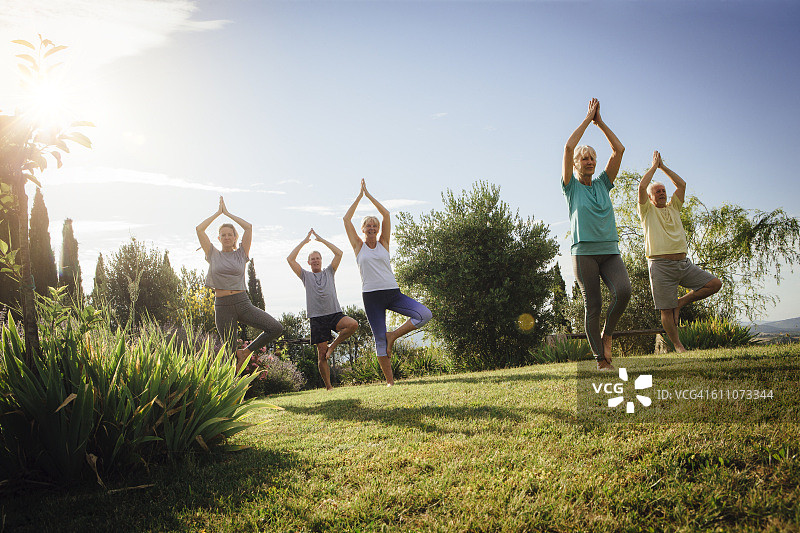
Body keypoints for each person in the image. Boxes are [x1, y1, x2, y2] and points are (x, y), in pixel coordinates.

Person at [562, 98, 632, 370]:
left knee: (623, 292)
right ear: (576, 164)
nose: (590, 161)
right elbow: (568, 147)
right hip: (584, 254)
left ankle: (608, 333)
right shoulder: (571, 186)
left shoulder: (604, 183)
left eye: (592, 158)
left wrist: (599, 122)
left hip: (610, 250)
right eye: (585, 158)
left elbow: (619, 149)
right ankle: (601, 360)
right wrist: (586, 119)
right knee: (593, 305)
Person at [343, 179, 432, 386]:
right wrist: (359, 197)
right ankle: (390, 382)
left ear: (378, 229)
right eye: (368, 225)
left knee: (424, 314)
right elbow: (346, 219)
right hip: (371, 297)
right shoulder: (358, 246)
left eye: (375, 225)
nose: (372, 227)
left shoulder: (384, 242)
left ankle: (393, 335)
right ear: (363, 229)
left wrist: (369, 195)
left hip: (392, 293)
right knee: (379, 340)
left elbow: (386, 215)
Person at [638, 150, 722, 352]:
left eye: (663, 190)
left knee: (715, 284)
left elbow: (681, 185)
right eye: (657, 191)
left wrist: (663, 167)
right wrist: (653, 167)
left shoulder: (674, 207)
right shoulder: (647, 211)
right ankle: (678, 346)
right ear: (650, 197)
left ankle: (680, 302)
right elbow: (641, 186)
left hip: (684, 264)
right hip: (660, 266)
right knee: (665, 310)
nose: (662, 193)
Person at [196, 196, 283, 371]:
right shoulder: (212, 253)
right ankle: (233, 386)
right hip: (223, 307)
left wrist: (228, 213)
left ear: (235, 237)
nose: (227, 237)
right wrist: (218, 213)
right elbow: (199, 229)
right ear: (219, 238)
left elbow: (248, 227)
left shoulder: (242, 253)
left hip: (242, 303)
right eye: (223, 235)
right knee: (229, 354)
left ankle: (245, 352)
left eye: (230, 234)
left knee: (275, 328)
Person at [287, 228, 359, 390]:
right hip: (317, 318)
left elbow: (339, 253)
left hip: (334, 314)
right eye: (312, 259)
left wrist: (321, 240)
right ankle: (328, 387)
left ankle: (332, 346)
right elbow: (290, 259)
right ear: (309, 262)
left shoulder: (329, 271)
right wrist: (304, 242)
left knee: (352, 324)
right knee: (321, 354)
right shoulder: (305, 275)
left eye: (317, 258)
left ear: (321, 260)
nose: (315, 261)